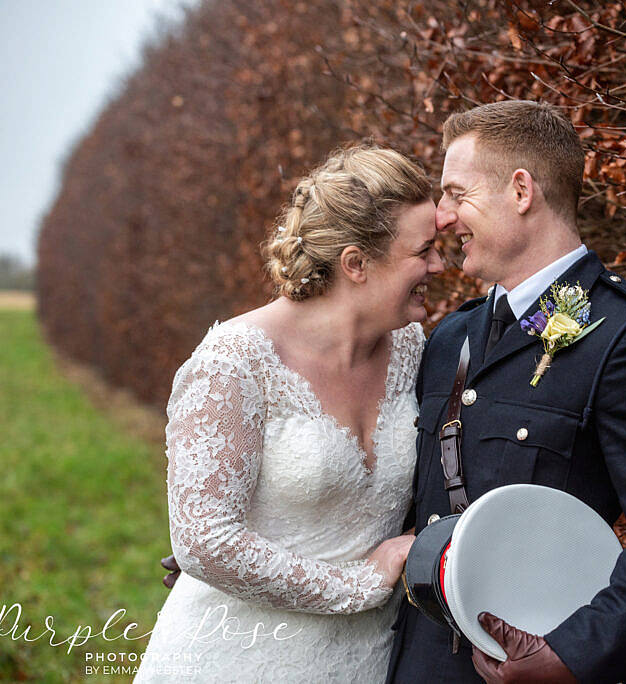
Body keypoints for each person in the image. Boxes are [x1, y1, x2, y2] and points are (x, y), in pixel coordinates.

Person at [385, 101, 626, 684]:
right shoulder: (450, 337)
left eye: (456, 194)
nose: (442, 217)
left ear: (521, 191)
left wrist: (573, 654)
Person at [136, 144, 443, 682]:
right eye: (423, 252)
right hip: (237, 658)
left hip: (367, 661)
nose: (439, 266)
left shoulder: (415, 349)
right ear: (356, 264)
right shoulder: (235, 362)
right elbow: (204, 541)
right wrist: (361, 585)